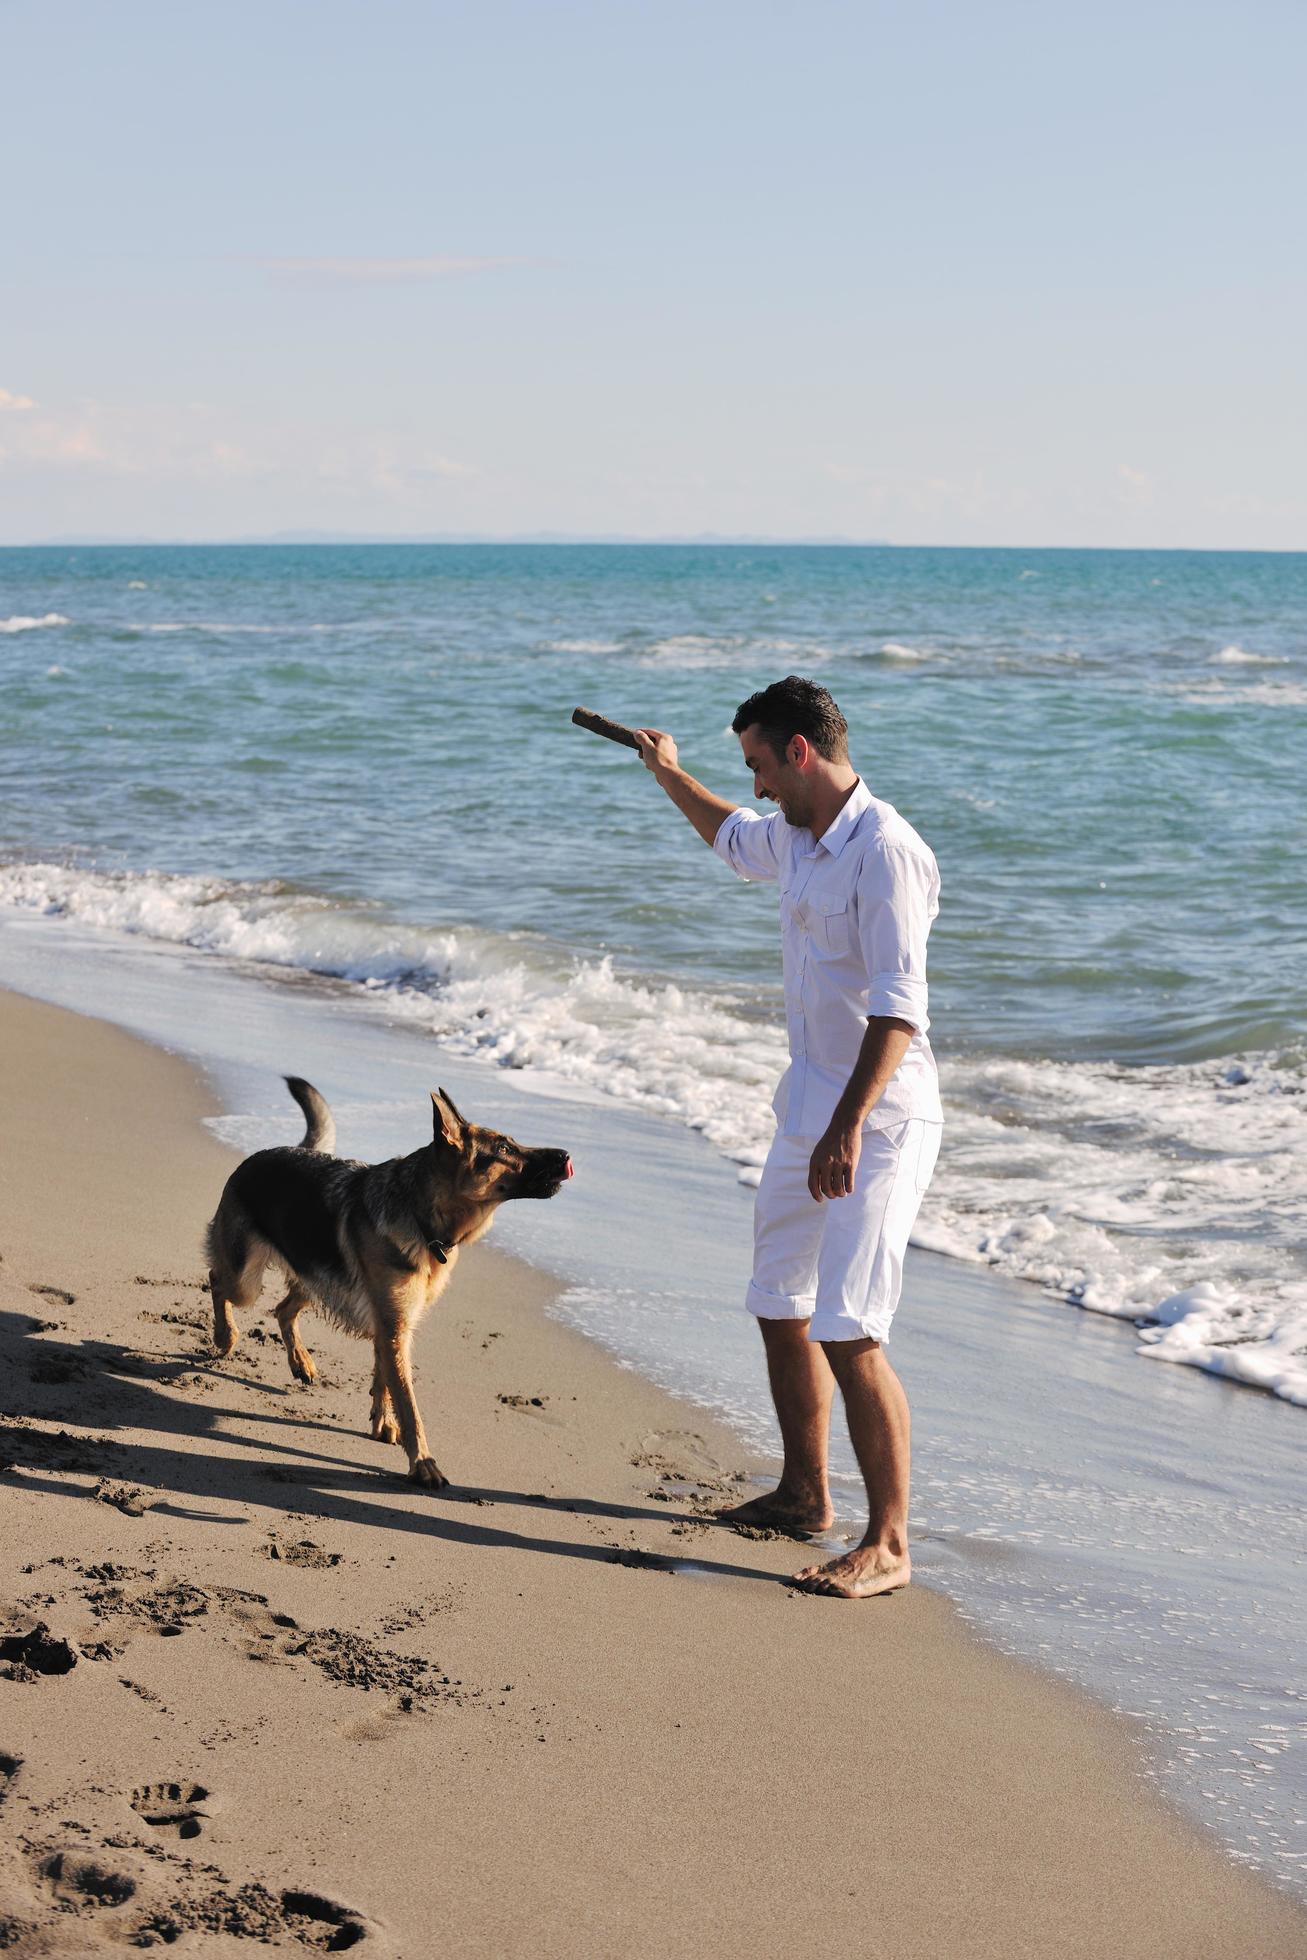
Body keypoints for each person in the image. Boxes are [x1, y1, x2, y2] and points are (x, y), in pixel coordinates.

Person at [635, 676, 942, 1598]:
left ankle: (887, 1545)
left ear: (800, 751)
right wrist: (668, 773)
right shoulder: (797, 838)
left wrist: (846, 1128)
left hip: (878, 1121)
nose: (758, 785)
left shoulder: (886, 852)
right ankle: (803, 1494)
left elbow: (899, 1011)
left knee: (850, 1328)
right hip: (804, 1107)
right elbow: (730, 835)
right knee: (780, 1300)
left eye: (761, 764)